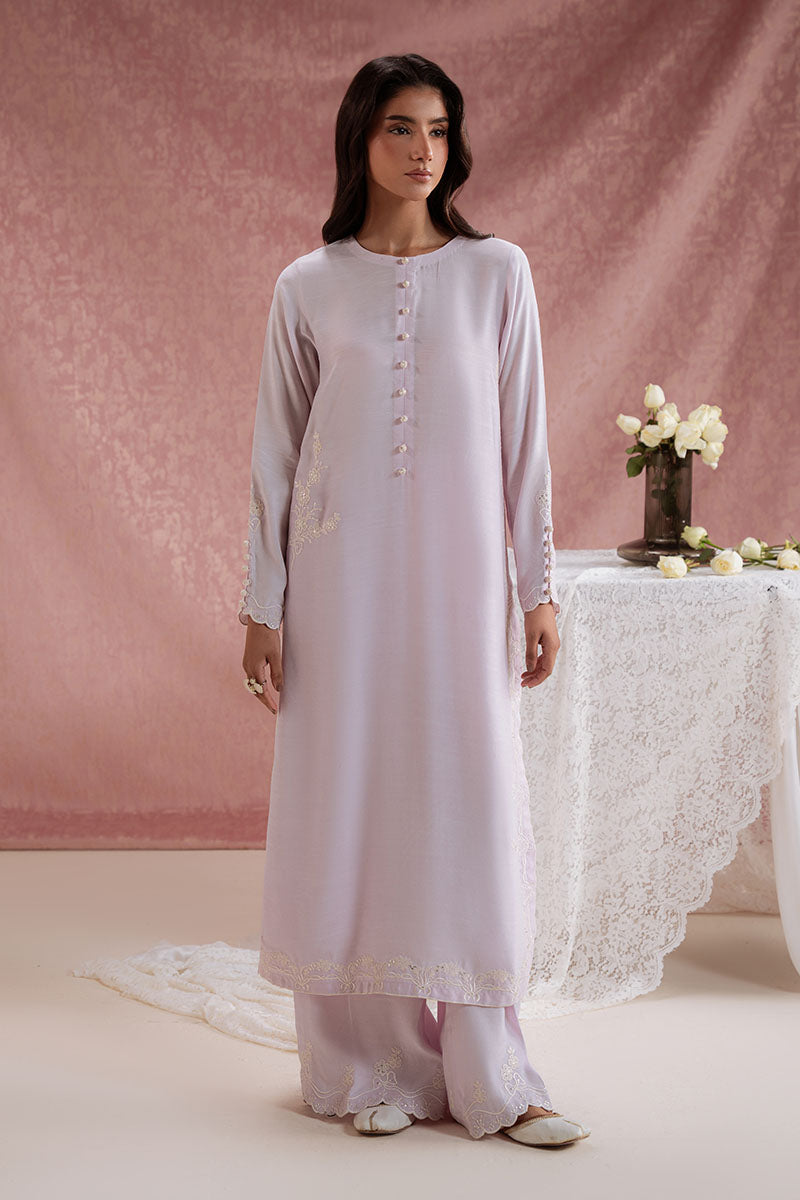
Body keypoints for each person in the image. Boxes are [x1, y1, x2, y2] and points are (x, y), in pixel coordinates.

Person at [239, 52, 590, 1147]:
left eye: (438, 129)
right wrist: (262, 604)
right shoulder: (308, 284)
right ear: (361, 137)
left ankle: (497, 1076)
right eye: (400, 127)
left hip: (461, 585)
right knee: (350, 796)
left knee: (466, 799)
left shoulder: (498, 274)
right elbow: (276, 458)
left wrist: (536, 589)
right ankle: (369, 1066)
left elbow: (525, 445)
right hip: (338, 585)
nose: (422, 149)